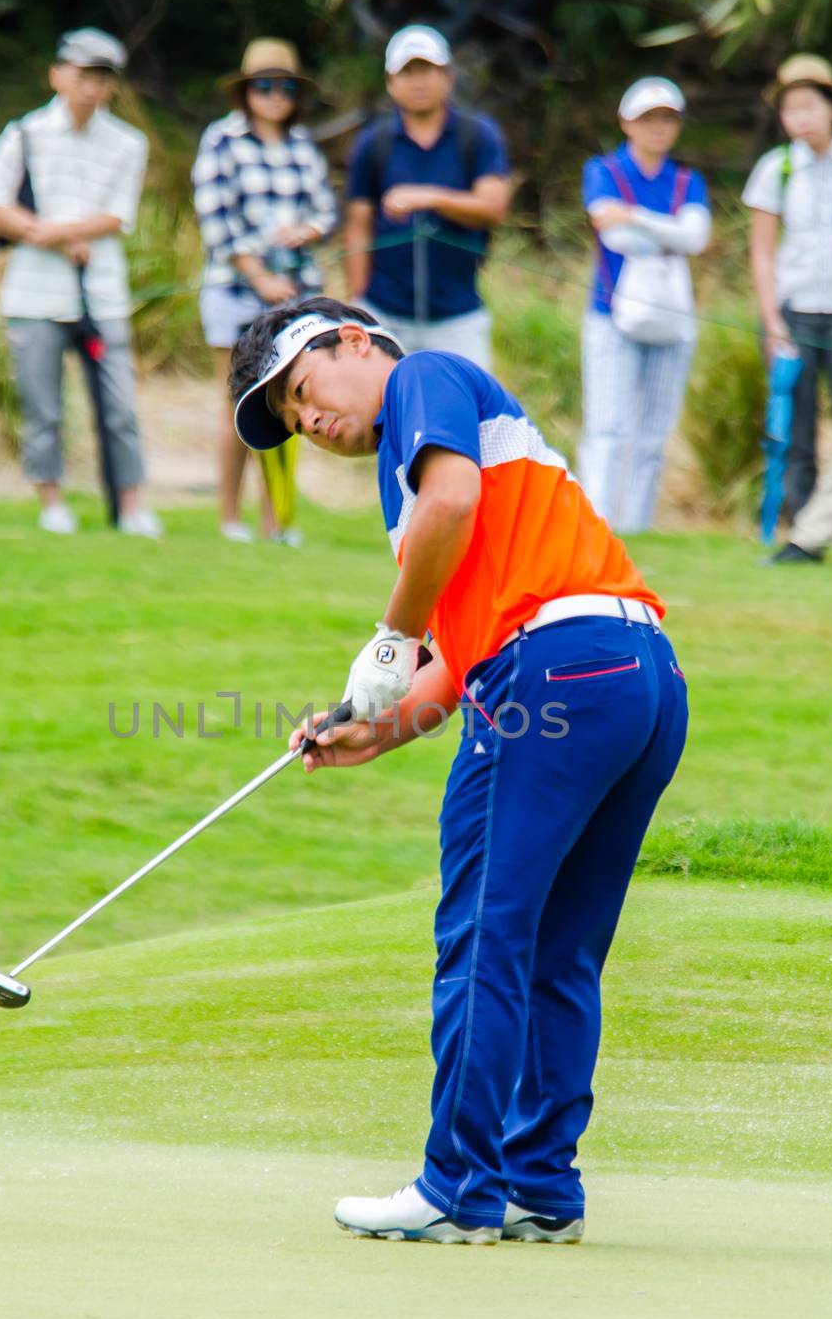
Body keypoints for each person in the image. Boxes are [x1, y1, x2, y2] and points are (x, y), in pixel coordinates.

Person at [230, 296, 688, 1246]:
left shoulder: (422, 381)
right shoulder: (418, 478)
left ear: (354, 340)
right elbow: (466, 658)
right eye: (291, 422)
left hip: (559, 668)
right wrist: (379, 727)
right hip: (633, 679)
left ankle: (458, 1185)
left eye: (304, 391)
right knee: (559, 947)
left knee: (483, 931)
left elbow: (454, 512)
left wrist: (390, 637)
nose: (309, 423)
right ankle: (537, 1186)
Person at [0, 28, 160, 537]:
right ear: (57, 75)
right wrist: (49, 237)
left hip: (101, 293)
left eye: (102, 79)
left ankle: (132, 506)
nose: (91, 90)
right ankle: (52, 501)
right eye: (82, 77)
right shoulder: (25, 133)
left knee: (119, 405)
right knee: (43, 406)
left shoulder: (127, 142)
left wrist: (53, 232)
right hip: (33, 294)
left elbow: (117, 216)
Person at [193, 39, 337, 545]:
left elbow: (324, 210)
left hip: (294, 298)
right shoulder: (221, 141)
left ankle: (276, 520)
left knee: (289, 406)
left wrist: (308, 232)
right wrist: (259, 276)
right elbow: (216, 222)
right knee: (236, 404)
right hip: (234, 291)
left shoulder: (301, 146)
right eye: (264, 86)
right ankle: (230, 518)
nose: (275, 96)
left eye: (284, 87)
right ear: (247, 91)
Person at [579, 77, 710, 533]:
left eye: (667, 119)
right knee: (608, 428)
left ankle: (636, 528)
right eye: (647, 118)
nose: (657, 128)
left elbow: (696, 237)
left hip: (671, 320)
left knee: (652, 435)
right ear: (626, 123)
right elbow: (611, 232)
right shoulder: (603, 170)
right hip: (611, 315)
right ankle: (597, 527)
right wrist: (666, 229)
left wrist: (634, 215)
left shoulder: (686, 180)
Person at [344, 25, 511, 368]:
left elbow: (493, 208)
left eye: (427, 70)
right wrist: (359, 302)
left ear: (448, 77)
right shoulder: (373, 144)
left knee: (467, 416)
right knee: (383, 417)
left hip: (458, 314)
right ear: (391, 83)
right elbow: (358, 224)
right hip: (384, 312)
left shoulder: (477, 135)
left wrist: (429, 197)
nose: (418, 81)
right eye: (407, 72)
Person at [743, 54, 832, 523]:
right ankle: (800, 523)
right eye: (791, 108)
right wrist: (772, 322)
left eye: (810, 105)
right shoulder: (777, 169)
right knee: (795, 427)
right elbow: (763, 252)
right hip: (794, 311)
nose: (802, 117)